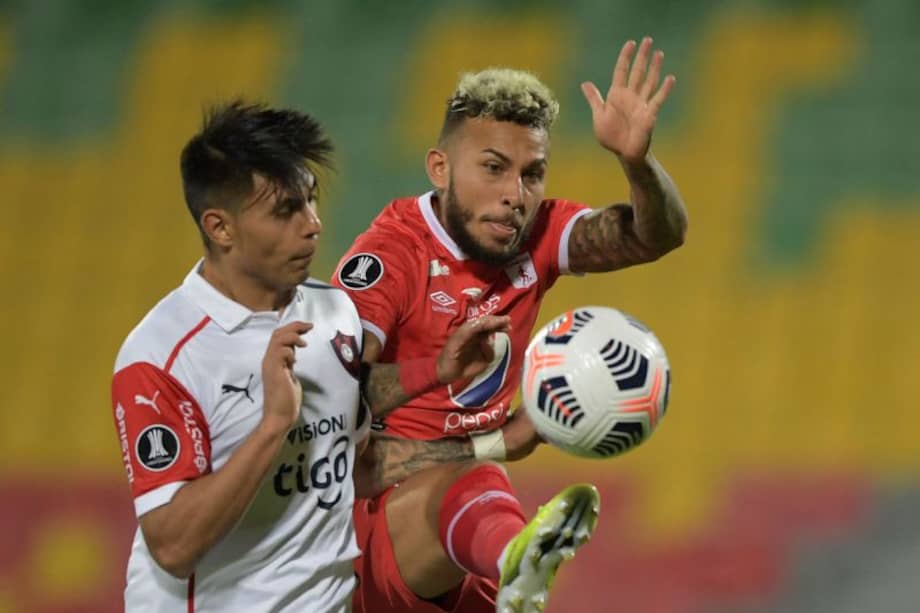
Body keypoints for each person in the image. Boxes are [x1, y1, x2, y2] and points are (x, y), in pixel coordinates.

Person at [110, 100, 510, 612]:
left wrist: (443, 379)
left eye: (312, 200)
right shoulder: (162, 356)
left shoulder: (334, 311)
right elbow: (173, 547)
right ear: (220, 227)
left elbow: (351, 461)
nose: (313, 224)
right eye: (286, 210)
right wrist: (273, 426)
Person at [333, 37, 688, 612]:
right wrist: (493, 438)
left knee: (482, 503)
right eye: (494, 169)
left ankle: (515, 568)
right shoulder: (390, 257)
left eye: (532, 174)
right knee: (476, 484)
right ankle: (517, 559)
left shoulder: (537, 234)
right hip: (374, 529)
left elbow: (657, 235)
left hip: (463, 541)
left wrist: (636, 162)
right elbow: (328, 403)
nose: (513, 196)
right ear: (440, 167)